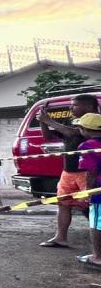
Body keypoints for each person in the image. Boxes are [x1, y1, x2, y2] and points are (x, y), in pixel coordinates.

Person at [39, 94, 100, 248]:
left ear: (89, 107)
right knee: (63, 203)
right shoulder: (71, 122)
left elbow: (74, 133)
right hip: (68, 171)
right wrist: (43, 122)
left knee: (90, 205)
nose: (70, 107)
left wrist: (50, 121)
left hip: (86, 171)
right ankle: (61, 237)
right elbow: (48, 136)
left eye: (75, 105)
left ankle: (97, 244)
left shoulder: (94, 122)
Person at [72, 113, 101, 270]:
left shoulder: (88, 146)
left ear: (84, 129)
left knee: (97, 223)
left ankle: (97, 257)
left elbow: (92, 171)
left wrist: (89, 192)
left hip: (99, 191)